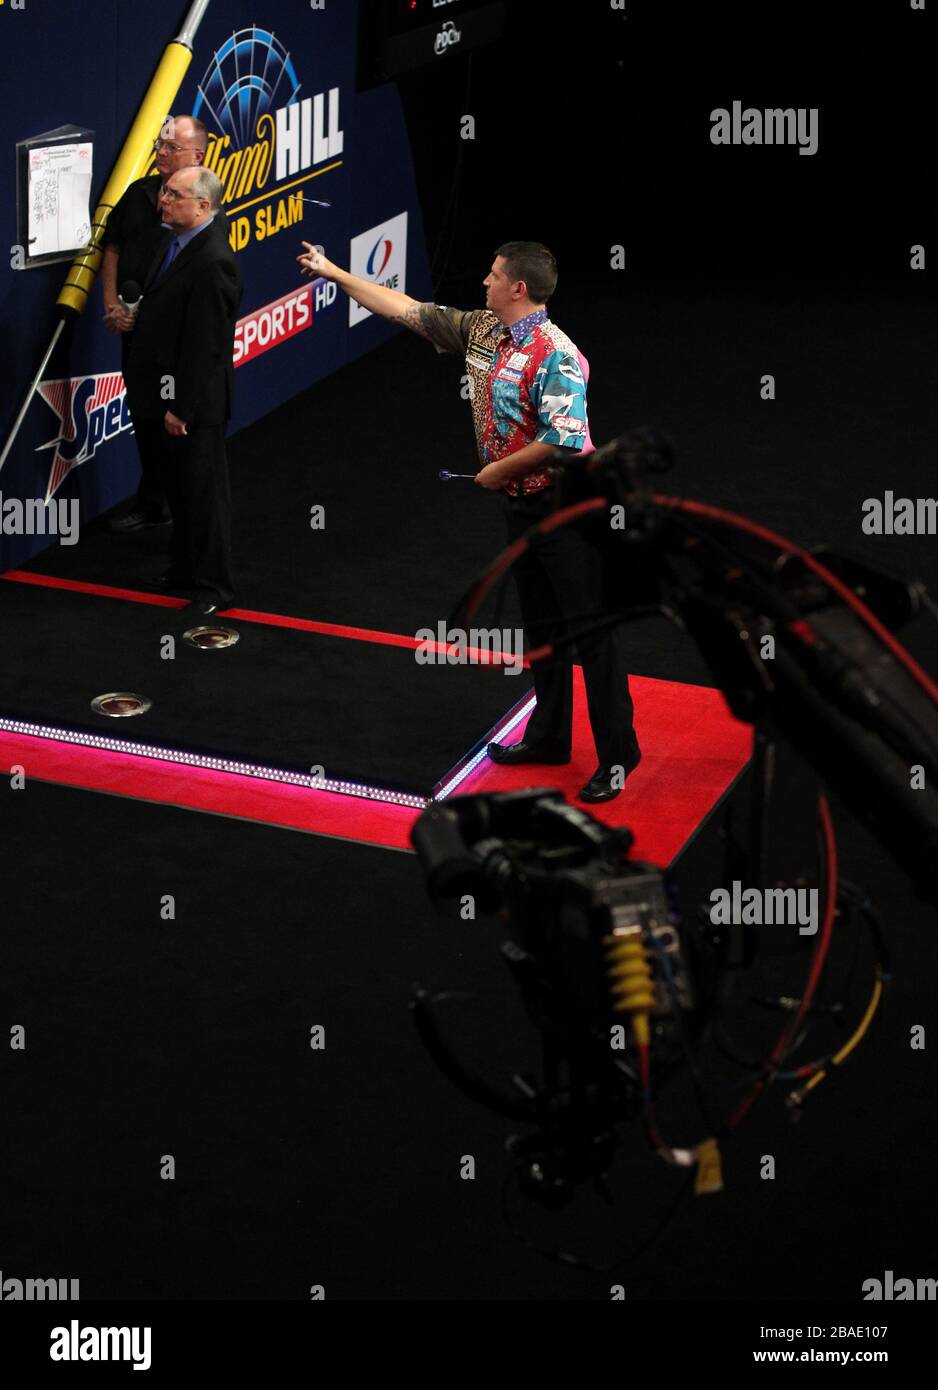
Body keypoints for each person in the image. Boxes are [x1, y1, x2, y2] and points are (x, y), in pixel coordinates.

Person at [296, 238, 640, 802]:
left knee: (591, 635)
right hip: (523, 503)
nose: (484, 281)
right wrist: (333, 271)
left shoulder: (558, 354)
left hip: (572, 506)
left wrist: (498, 469)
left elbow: (564, 442)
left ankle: (618, 759)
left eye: (493, 274)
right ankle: (550, 737)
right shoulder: (483, 329)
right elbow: (406, 310)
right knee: (544, 627)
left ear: (518, 289)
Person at [121, 166, 241, 615]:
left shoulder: (213, 261)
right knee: (179, 490)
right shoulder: (172, 241)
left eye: (173, 194)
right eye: (164, 192)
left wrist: (181, 408)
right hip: (161, 395)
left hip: (192, 405)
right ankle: (185, 571)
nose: (163, 200)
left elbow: (206, 345)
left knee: (204, 495)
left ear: (203, 206)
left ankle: (215, 588)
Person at [102, 115, 209, 531]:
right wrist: (112, 304)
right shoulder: (138, 195)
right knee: (144, 419)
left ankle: (187, 514)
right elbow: (111, 247)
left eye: (171, 148)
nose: (160, 153)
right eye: (159, 146)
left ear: (197, 156)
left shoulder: (204, 210)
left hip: (175, 345)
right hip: (134, 338)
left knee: (177, 428)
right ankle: (153, 503)